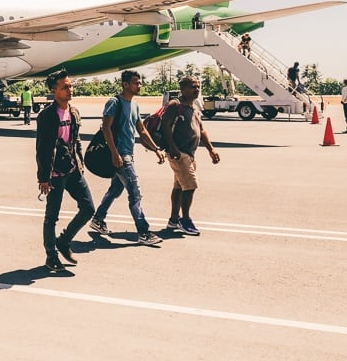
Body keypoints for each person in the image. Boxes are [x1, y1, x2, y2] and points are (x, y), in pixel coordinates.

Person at [89, 69, 165, 246]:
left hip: (128, 154)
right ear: (125, 84)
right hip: (121, 155)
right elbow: (106, 128)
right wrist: (115, 153)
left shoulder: (134, 105)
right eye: (135, 82)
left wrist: (156, 149)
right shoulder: (114, 103)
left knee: (115, 190)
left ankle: (98, 219)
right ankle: (143, 231)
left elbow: (142, 130)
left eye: (139, 82)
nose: (139, 85)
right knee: (135, 193)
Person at [36, 70, 95, 271]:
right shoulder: (47, 116)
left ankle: (64, 241)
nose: (70, 90)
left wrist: (80, 162)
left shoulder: (74, 112)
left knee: (88, 208)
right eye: (65, 87)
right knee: (51, 216)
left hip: (72, 170)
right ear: (54, 91)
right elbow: (43, 148)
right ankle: (51, 256)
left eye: (70, 86)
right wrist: (43, 177)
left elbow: (76, 139)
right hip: (54, 174)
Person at [160, 76, 221, 236]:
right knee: (191, 185)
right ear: (183, 89)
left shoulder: (193, 106)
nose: (197, 89)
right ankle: (185, 220)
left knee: (179, 186)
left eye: (198, 86)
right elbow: (165, 124)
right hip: (179, 153)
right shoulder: (175, 105)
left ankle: (173, 220)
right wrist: (172, 147)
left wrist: (211, 149)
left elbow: (201, 129)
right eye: (193, 87)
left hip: (190, 153)